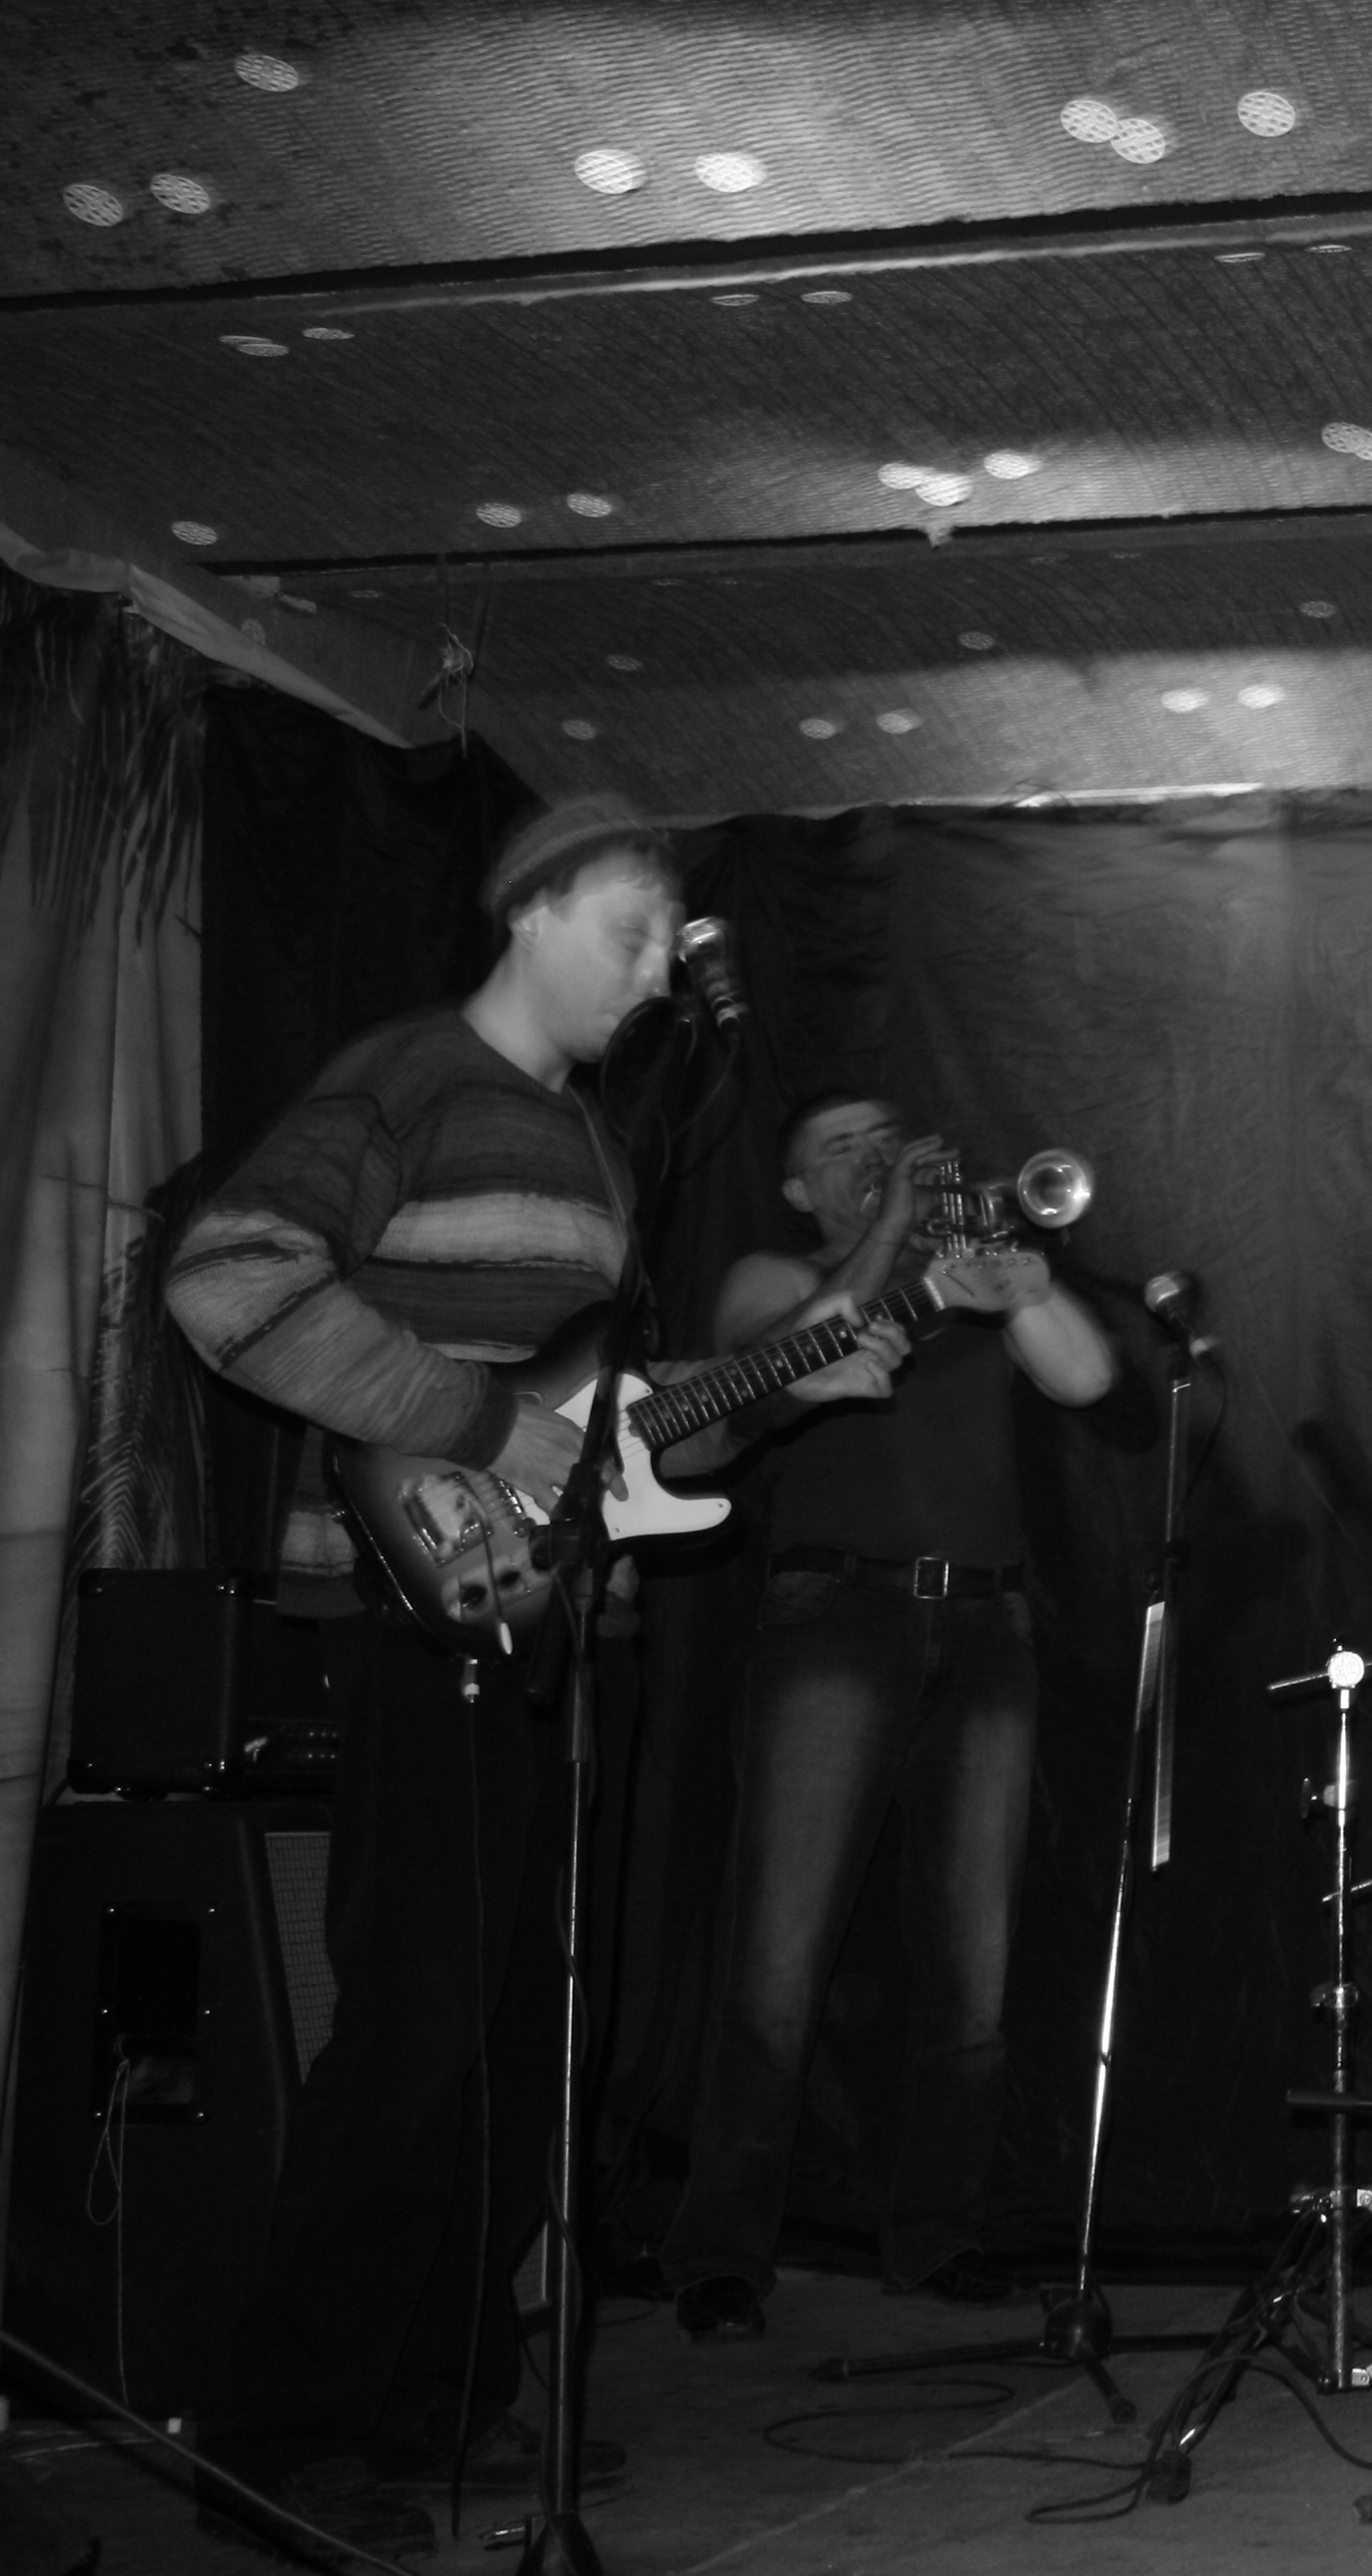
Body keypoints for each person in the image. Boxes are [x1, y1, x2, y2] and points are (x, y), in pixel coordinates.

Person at [164, 796, 907, 2559]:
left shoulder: (591, 1144)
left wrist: (778, 1389)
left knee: (512, 2040)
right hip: (416, 1612)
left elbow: (607, 1432)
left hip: (540, 1625)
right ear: (530, 907)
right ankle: (277, 2433)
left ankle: (438, 2399)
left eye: (667, 941)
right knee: (412, 2029)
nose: (654, 973)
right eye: (629, 931)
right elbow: (228, 1275)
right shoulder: (408, 1081)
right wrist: (478, 1421)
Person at [664, 1096, 1116, 2339]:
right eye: (842, 1146)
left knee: (974, 1965)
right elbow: (774, 1361)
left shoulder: (963, 1277)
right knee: (777, 1958)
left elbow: (1086, 1378)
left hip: (987, 1628)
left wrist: (1007, 1271)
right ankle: (720, 2252)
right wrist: (896, 1238)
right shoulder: (775, 1274)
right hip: (835, 1620)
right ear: (797, 1189)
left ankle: (939, 2234)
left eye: (888, 1137)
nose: (875, 1154)